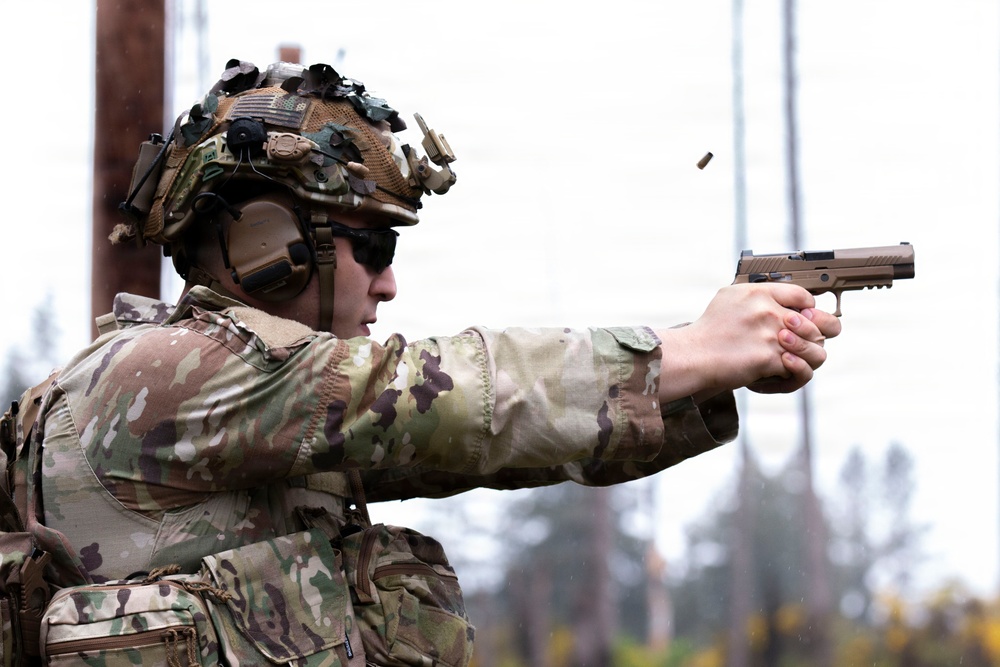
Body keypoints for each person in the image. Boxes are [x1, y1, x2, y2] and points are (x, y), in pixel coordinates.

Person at [29, 59, 840, 665]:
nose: (388, 283)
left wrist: (711, 369)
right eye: (373, 246)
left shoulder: (249, 406)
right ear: (268, 243)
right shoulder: (169, 372)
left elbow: (499, 440)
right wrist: (693, 348)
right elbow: (448, 394)